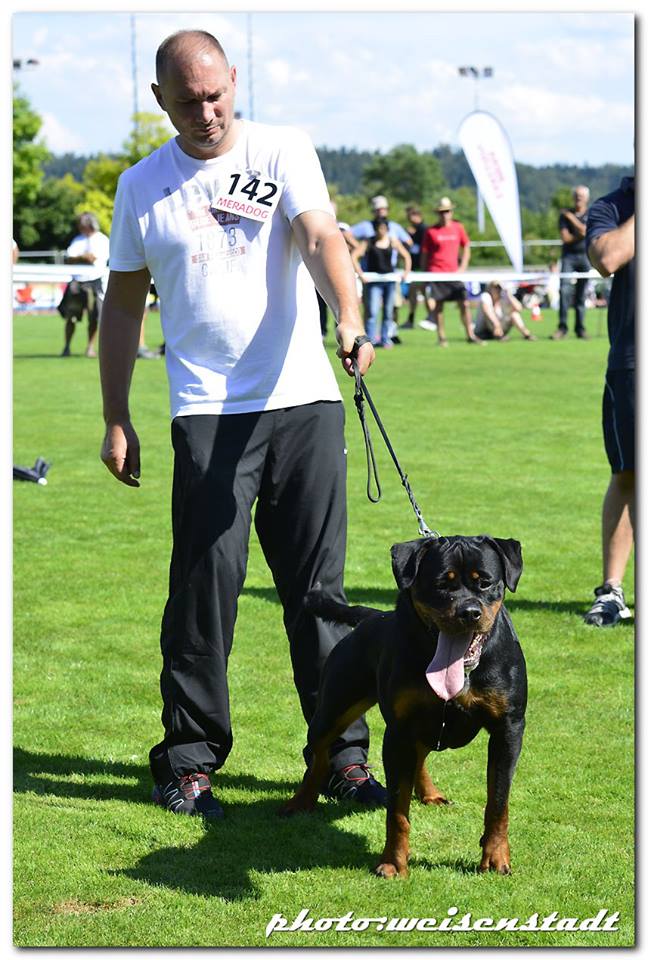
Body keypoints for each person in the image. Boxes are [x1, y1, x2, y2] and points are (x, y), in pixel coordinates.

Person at [99, 29, 381, 820]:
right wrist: (116, 415)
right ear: (160, 100)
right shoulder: (142, 186)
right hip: (206, 412)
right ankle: (188, 763)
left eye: (217, 94)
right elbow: (123, 303)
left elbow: (321, 235)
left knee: (319, 595)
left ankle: (343, 761)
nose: (207, 113)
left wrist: (349, 316)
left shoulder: (282, 150)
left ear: (234, 82)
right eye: (188, 101)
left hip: (303, 403)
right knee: (204, 591)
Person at [583, 176, 634, 627]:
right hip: (633, 364)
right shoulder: (612, 208)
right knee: (629, 474)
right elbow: (608, 257)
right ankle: (612, 591)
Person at [419, 196, 481, 346]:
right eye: (441, 212)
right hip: (437, 272)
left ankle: (470, 335)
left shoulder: (458, 227)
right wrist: (423, 276)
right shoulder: (431, 231)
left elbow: (466, 246)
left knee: (464, 304)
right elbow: (425, 254)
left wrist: (463, 267)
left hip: (454, 273)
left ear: (451, 212)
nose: (444, 214)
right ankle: (442, 338)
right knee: (439, 306)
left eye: (447, 211)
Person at [351, 217, 411, 348]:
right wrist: (361, 274)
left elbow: (406, 256)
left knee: (388, 312)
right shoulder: (368, 242)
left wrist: (406, 272)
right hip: (373, 281)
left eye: (384, 228)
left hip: (389, 281)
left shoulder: (392, 241)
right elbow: (354, 256)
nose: (381, 231)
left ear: (387, 229)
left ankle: (385, 339)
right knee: (372, 311)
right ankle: (371, 340)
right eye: (379, 228)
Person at [61, 212, 110, 357]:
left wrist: (80, 258)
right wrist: (83, 257)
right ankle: (67, 346)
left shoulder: (102, 240)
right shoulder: (77, 240)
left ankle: (90, 347)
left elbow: (94, 259)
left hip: (95, 282)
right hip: (77, 282)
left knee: (94, 317)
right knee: (71, 316)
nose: (80, 227)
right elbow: (69, 258)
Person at [551, 185, 591, 340]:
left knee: (581, 295)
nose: (578, 198)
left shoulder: (589, 214)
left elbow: (586, 231)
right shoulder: (563, 216)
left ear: (586, 198)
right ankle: (562, 328)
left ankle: (580, 329)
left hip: (586, 257)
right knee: (564, 292)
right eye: (576, 195)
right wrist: (581, 233)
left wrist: (571, 218)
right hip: (568, 257)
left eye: (581, 196)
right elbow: (566, 238)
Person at [401, 205, 428, 329]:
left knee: (423, 293)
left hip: (421, 268)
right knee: (415, 293)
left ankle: (431, 318)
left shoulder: (424, 230)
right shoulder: (415, 230)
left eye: (411, 216)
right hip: (415, 268)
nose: (410, 219)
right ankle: (413, 319)